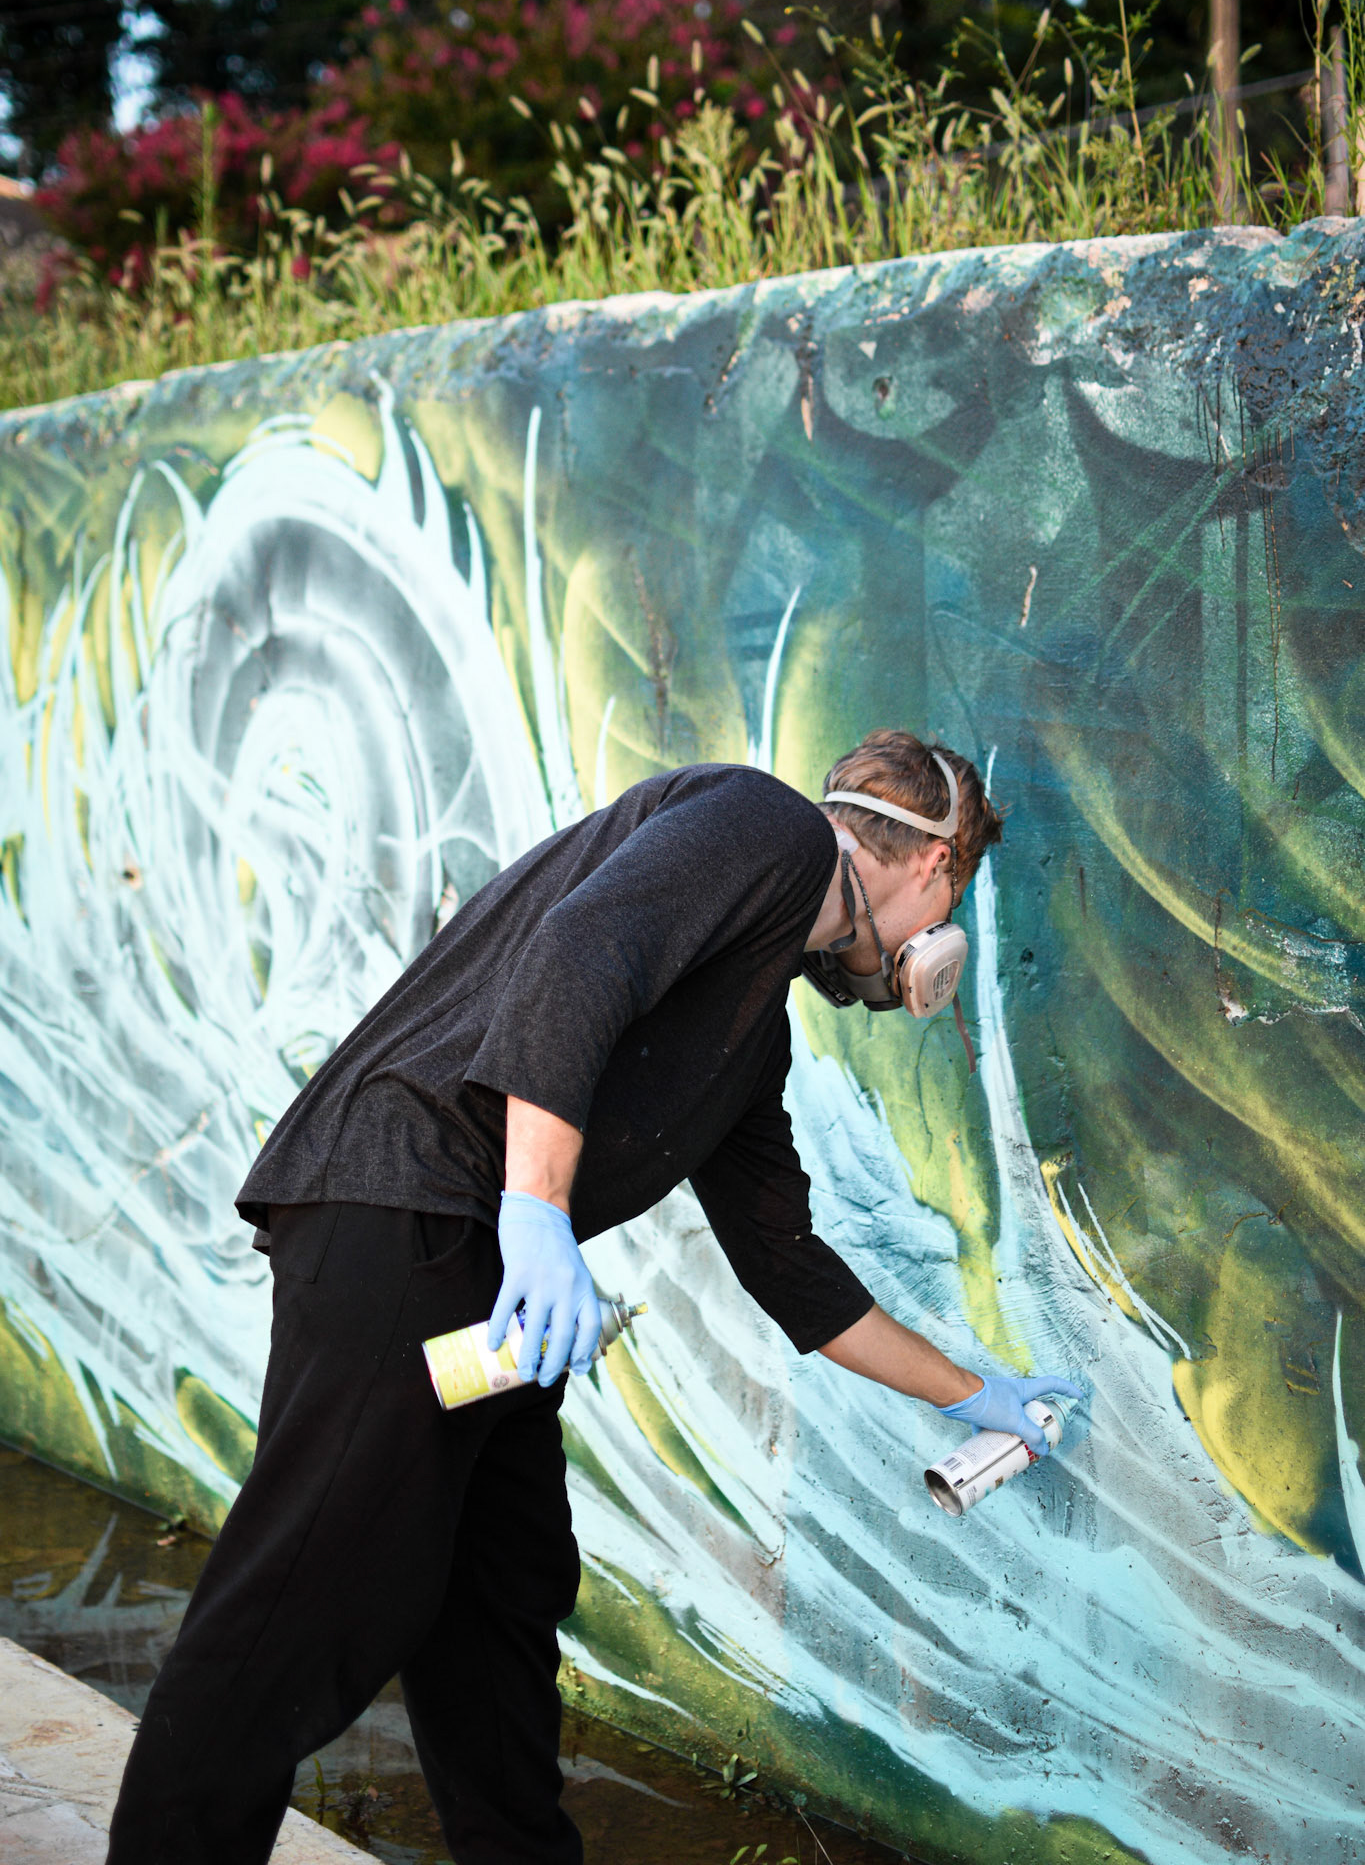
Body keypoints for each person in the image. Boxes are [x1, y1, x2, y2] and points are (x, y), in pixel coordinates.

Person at [105, 730, 1080, 1865]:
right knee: (302, 1603)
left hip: (480, 1275)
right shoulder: (768, 826)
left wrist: (974, 1393)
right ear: (935, 863)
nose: (934, 937)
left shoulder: (748, 1031)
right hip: (401, 1213)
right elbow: (580, 949)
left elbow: (789, 1268)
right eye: (953, 900)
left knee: (498, 1593)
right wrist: (537, 1213)